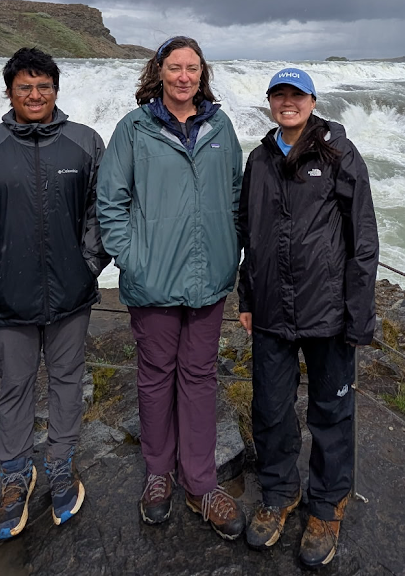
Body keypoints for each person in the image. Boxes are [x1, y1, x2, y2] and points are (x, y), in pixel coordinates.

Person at [0, 47, 108, 541]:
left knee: (66, 382)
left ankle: (61, 466)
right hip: (6, 300)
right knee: (14, 388)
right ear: (10, 90)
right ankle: (15, 476)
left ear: (56, 89)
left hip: (70, 297)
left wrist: (89, 264)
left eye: (44, 86)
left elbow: (103, 210)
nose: (35, 95)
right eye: (24, 87)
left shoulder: (85, 143)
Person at [96, 36, 246, 540]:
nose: (184, 77)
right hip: (152, 277)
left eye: (193, 69)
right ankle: (158, 475)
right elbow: (110, 201)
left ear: (203, 75)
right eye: (175, 67)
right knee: (156, 375)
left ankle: (200, 483)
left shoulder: (220, 127)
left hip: (210, 280)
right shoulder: (134, 129)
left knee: (199, 376)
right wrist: (130, 258)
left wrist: (232, 254)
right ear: (159, 71)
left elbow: (235, 196)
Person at [236, 67, 380, 569]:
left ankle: (326, 505)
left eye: (296, 95)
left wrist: (359, 318)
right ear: (271, 103)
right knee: (271, 409)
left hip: (328, 314)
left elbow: (363, 241)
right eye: (279, 95)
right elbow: (248, 237)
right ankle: (279, 494)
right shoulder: (257, 160)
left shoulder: (340, 155)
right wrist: (247, 298)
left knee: (331, 413)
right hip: (273, 310)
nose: (287, 102)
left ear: (312, 101)